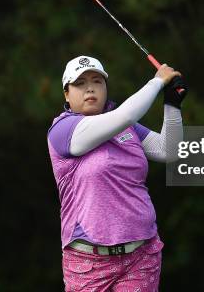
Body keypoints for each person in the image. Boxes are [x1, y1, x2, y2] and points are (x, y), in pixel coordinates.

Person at [47, 55, 188, 291]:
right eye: (80, 83)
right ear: (66, 94)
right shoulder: (62, 131)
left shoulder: (127, 128)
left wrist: (172, 104)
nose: (90, 88)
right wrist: (156, 82)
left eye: (97, 81)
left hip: (141, 254)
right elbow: (125, 114)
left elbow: (168, 150)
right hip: (88, 263)